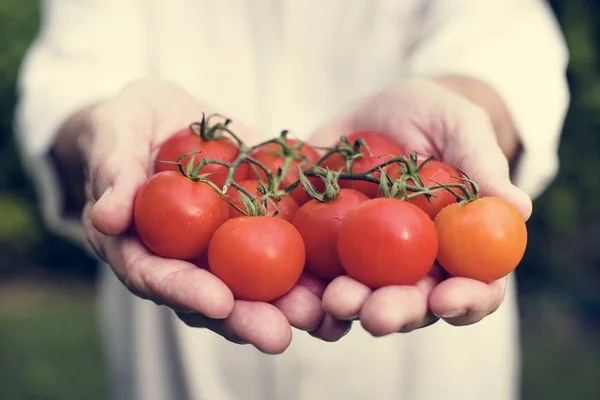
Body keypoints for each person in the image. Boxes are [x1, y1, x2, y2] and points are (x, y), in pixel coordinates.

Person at [14, 1, 569, 399]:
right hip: (180, 352)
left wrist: (467, 102)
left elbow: (504, 37)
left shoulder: (402, 204)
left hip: (428, 369)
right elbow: (73, 70)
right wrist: (99, 133)